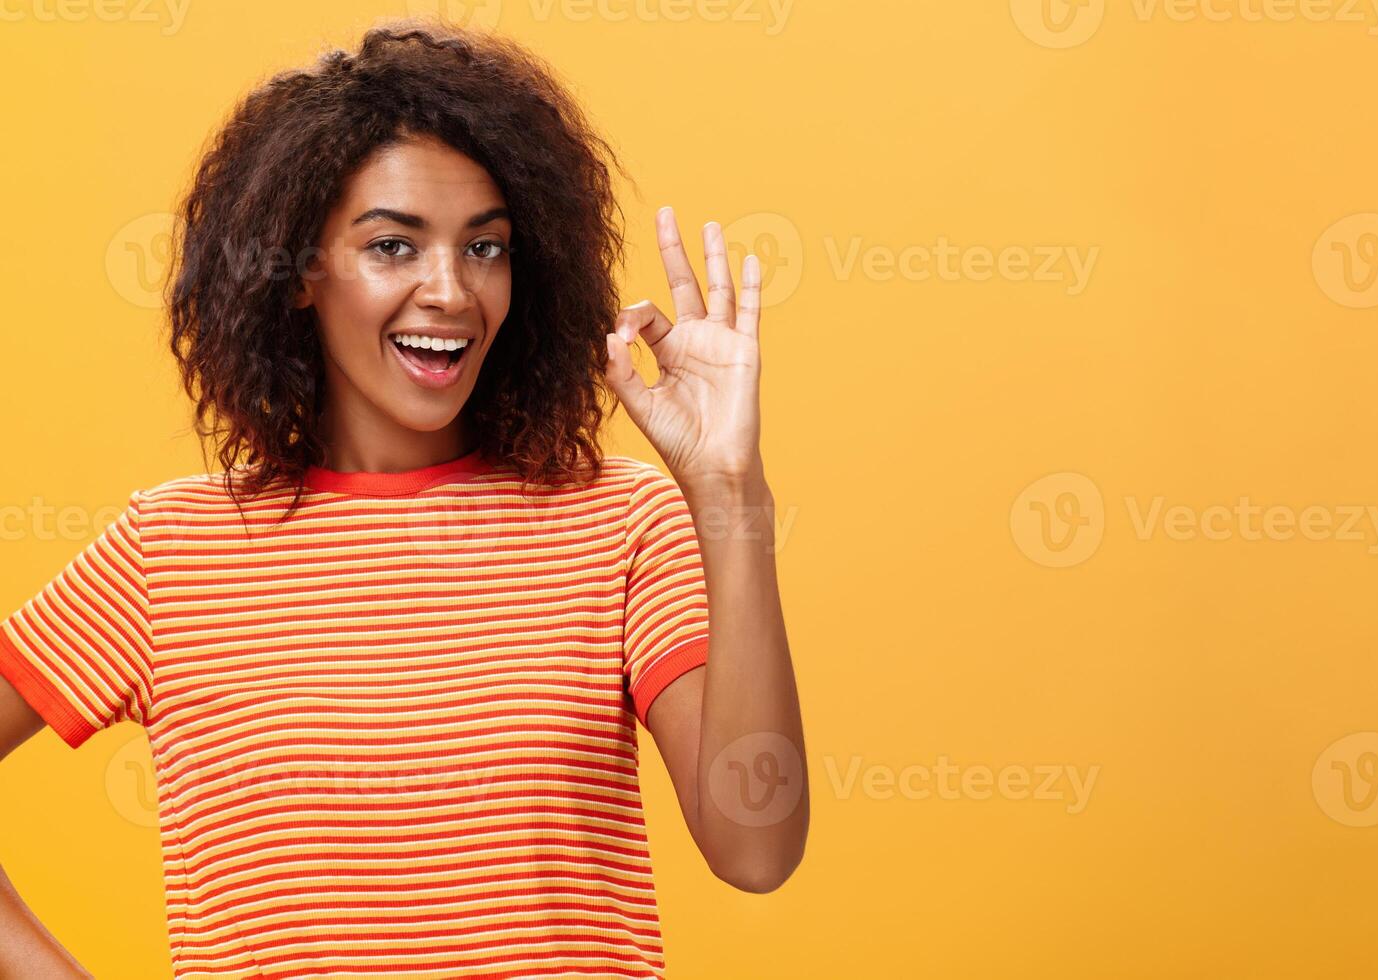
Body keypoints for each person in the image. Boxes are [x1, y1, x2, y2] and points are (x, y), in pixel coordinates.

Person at [0, 19, 806, 978]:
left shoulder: (617, 520)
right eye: (393, 246)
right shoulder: (169, 550)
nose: (451, 292)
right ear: (300, 272)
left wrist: (729, 496)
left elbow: (756, 849)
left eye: (486, 248)